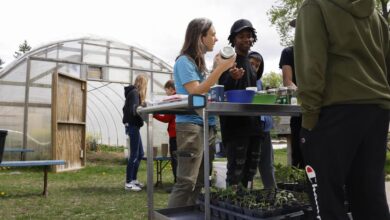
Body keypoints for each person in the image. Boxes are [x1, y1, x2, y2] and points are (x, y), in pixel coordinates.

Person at [295, 0, 390, 219]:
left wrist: (309, 119)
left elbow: (311, 67)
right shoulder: (375, 15)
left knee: (327, 199)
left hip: (334, 113)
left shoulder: (314, 6)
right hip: (376, 111)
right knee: (370, 196)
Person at [167, 17, 236, 208]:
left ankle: (187, 214)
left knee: (200, 181)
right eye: (212, 34)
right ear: (200, 36)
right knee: (186, 181)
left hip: (208, 125)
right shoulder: (184, 62)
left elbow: (206, 89)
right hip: (191, 126)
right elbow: (196, 92)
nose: (216, 38)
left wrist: (215, 69)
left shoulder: (198, 63)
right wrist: (221, 69)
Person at [219, 19, 263, 188]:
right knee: (236, 174)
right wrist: (232, 77)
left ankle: (246, 209)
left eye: (249, 36)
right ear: (233, 39)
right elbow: (219, 92)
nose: (246, 39)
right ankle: (232, 211)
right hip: (236, 128)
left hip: (254, 127)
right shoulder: (227, 61)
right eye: (242, 36)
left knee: (250, 174)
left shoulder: (251, 65)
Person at [248, 51, 276, 189]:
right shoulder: (242, 80)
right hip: (251, 130)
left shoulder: (259, 82)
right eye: (251, 64)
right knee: (249, 168)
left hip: (264, 129)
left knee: (267, 165)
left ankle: (272, 195)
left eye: (257, 66)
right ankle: (246, 199)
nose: (254, 68)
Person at [279, 19, 304, 169]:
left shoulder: (321, 51)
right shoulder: (288, 53)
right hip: (300, 112)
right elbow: (288, 81)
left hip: (324, 111)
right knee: (299, 155)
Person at [122, 74, 148, 191]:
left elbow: (130, 108)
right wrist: (143, 109)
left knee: (140, 154)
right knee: (134, 154)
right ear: (143, 83)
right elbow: (134, 110)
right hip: (132, 126)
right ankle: (128, 182)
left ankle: (133, 179)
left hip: (134, 126)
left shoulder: (134, 93)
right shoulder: (134, 93)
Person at [153, 79, 178, 184]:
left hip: (175, 135)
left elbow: (167, 117)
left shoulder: (173, 99)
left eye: (166, 90)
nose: (166, 93)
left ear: (172, 89)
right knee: (180, 158)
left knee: (175, 159)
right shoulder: (180, 98)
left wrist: (154, 114)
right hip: (180, 133)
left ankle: (177, 182)